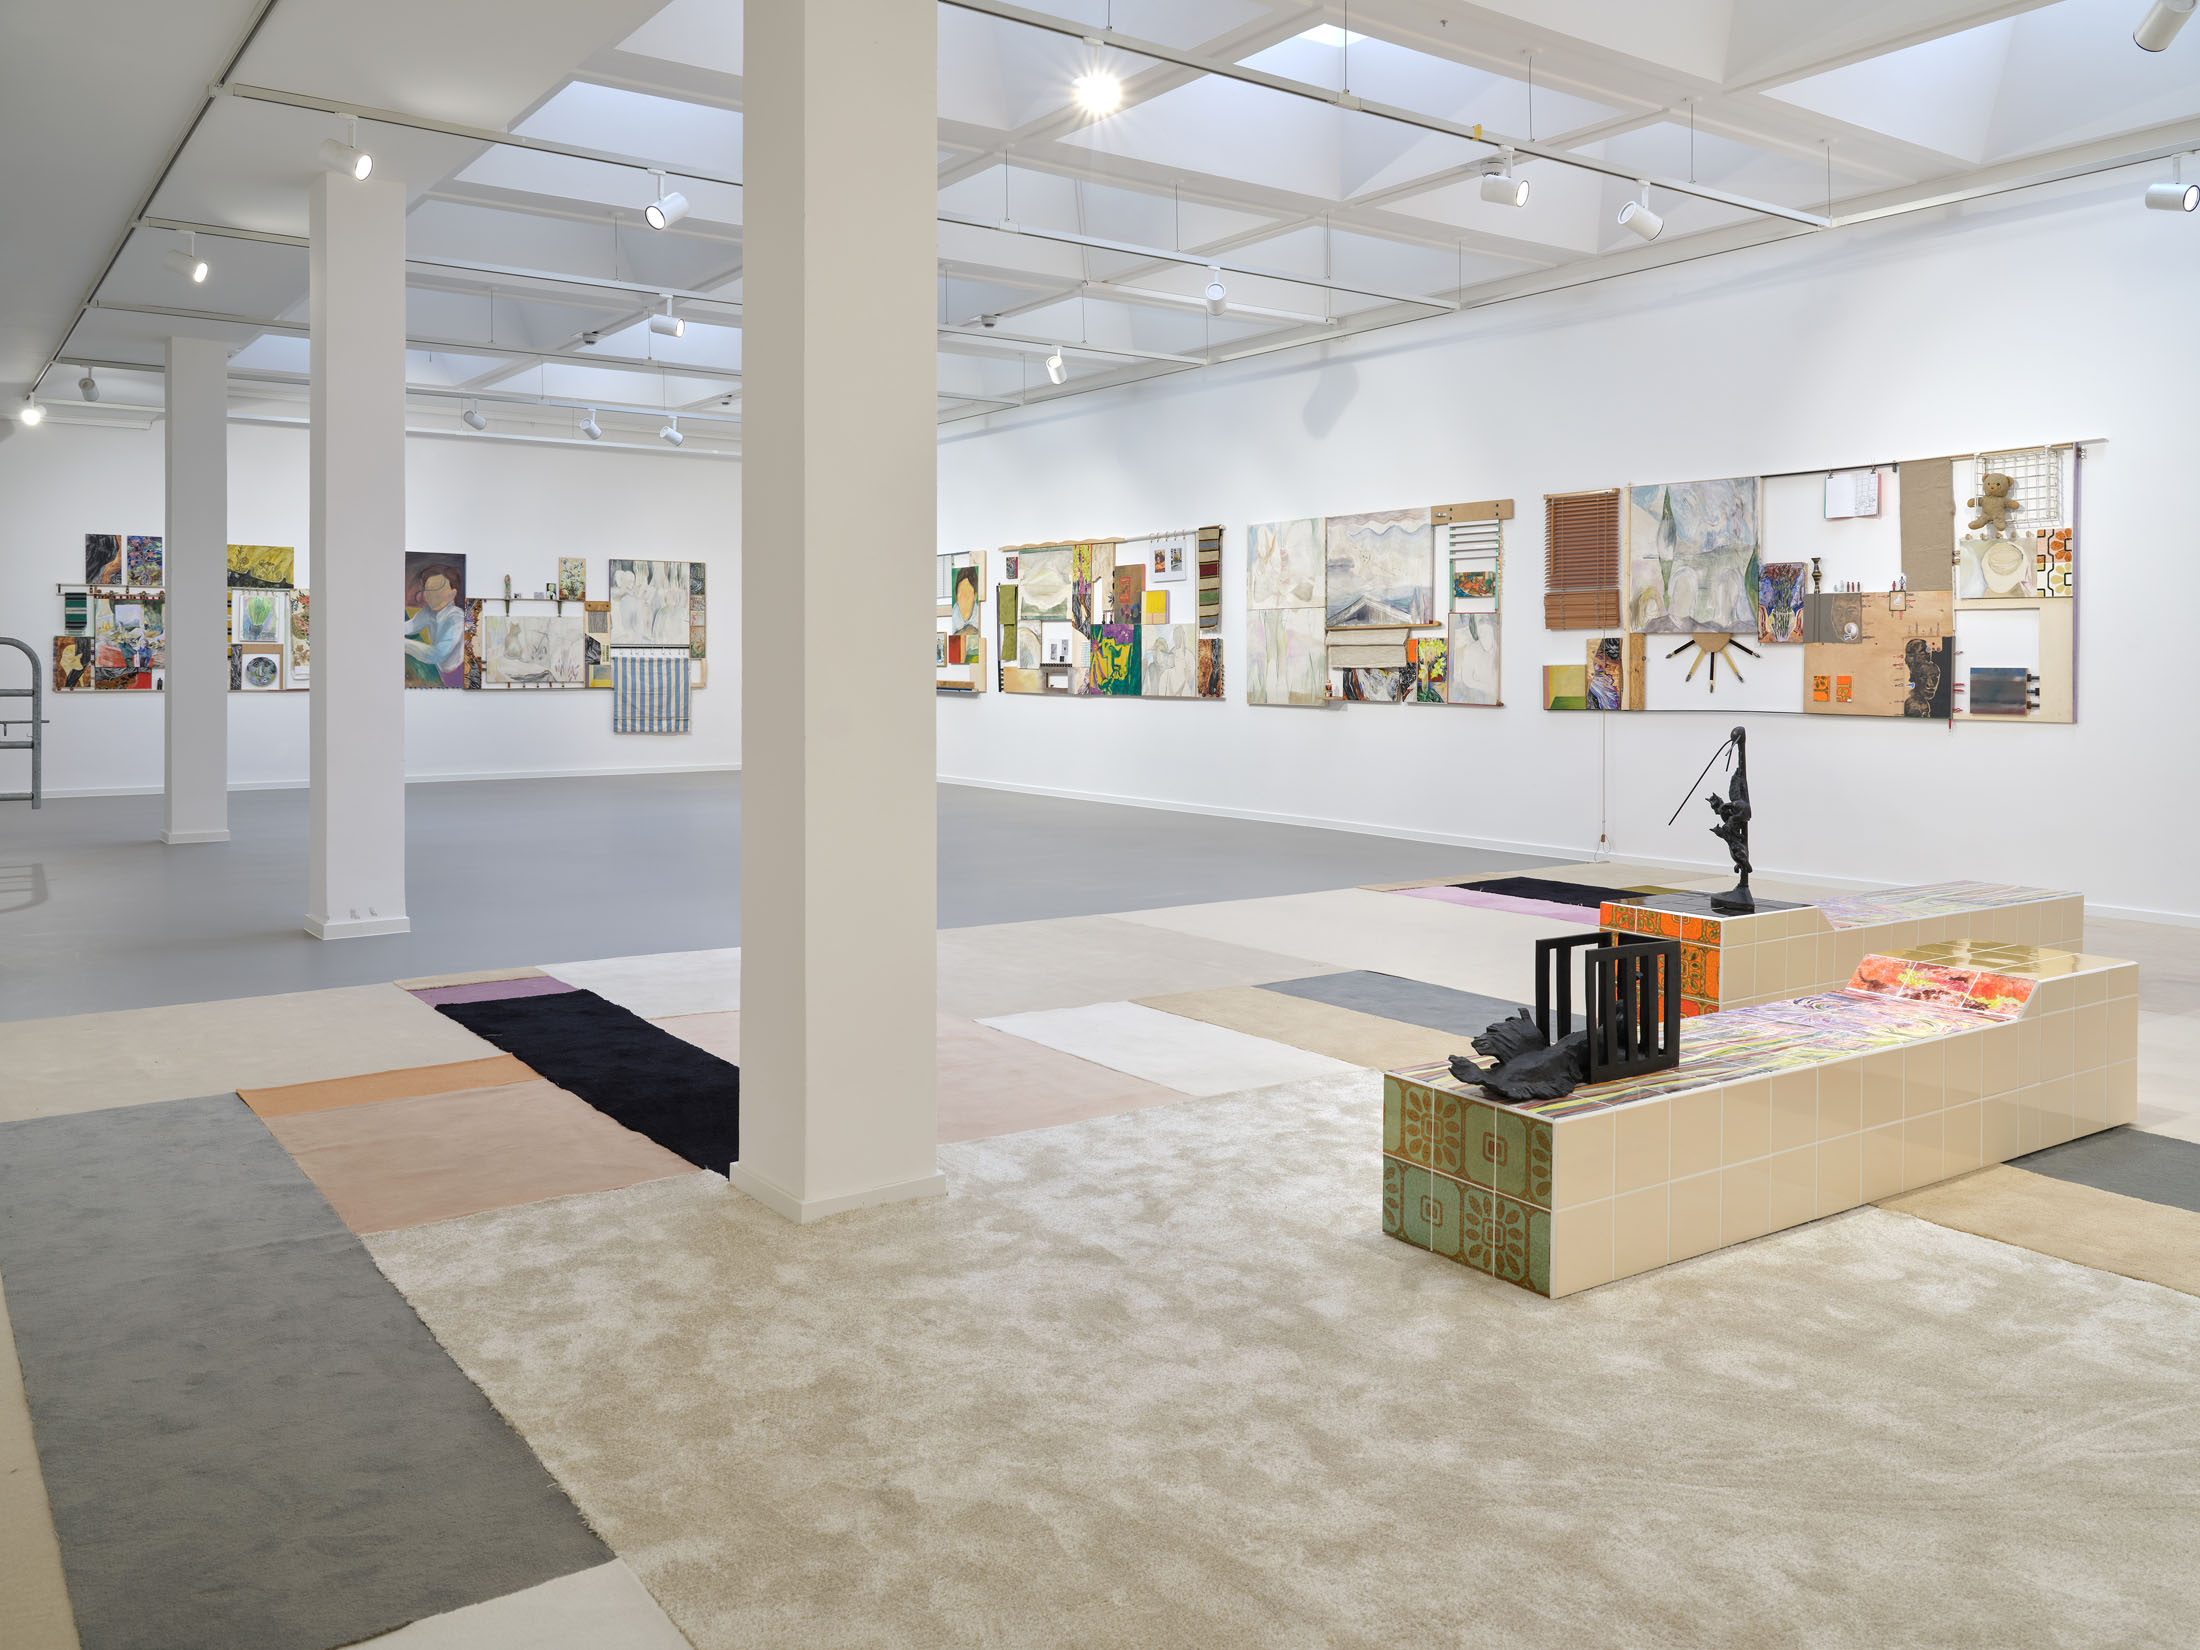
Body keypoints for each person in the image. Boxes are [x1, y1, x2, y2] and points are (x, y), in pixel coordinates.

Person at [403, 566, 466, 687]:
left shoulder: (457, 618)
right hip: (441, 670)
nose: (431, 595)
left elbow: (438, 653)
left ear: (452, 594)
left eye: (438, 589)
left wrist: (404, 644)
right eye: (428, 590)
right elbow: (410, 627)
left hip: (459, 673)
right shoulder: (429, 611)